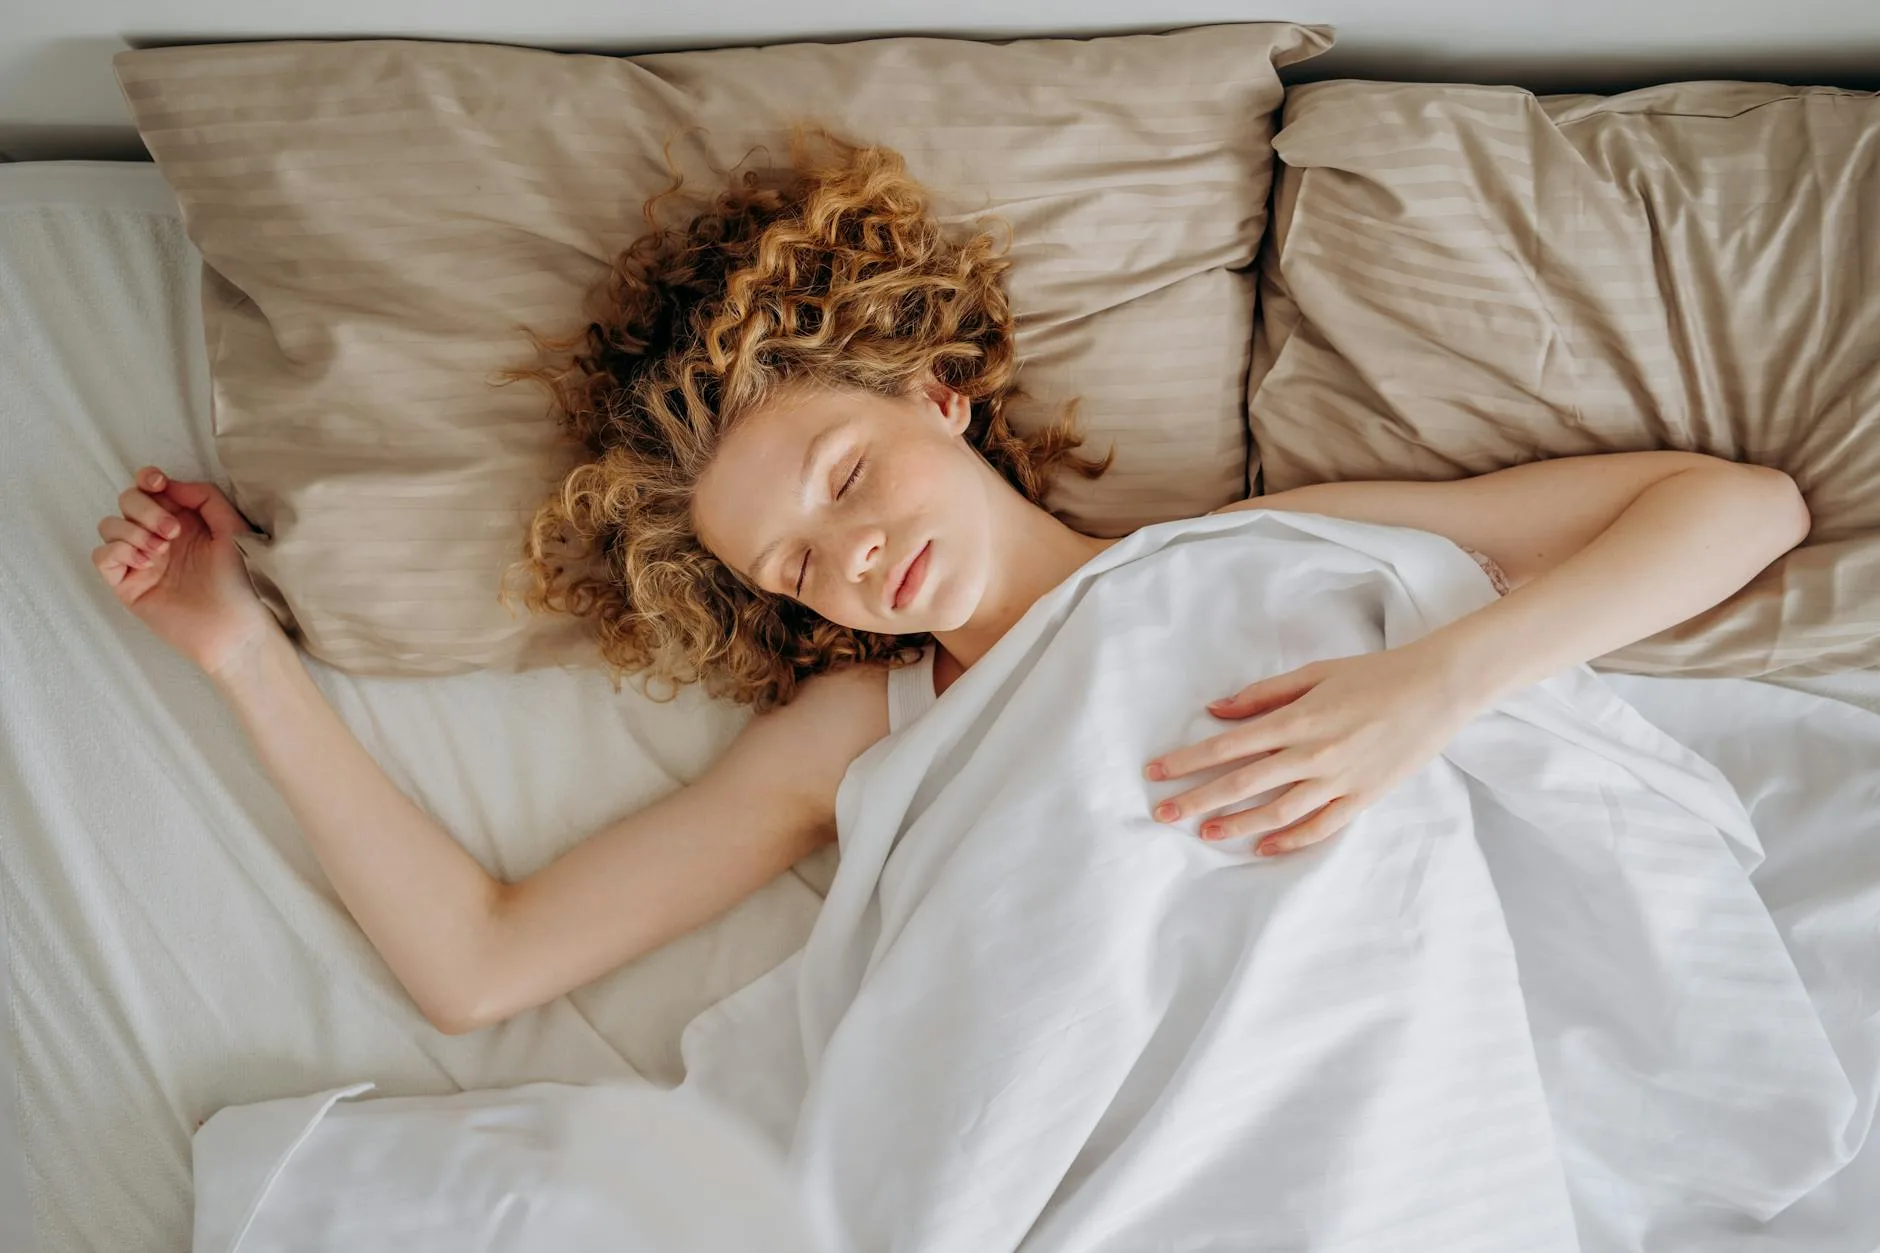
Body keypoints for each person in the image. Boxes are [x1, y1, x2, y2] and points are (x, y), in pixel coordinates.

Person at [90, 132, 1809, 1038]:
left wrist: (1431, 686)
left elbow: (1737, 511)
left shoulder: (1250, 548)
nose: (848, 556)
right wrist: (239, 654)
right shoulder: (863, 723)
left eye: (845, 479)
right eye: (796, 562)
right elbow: (479, 969)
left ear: (934, 388)